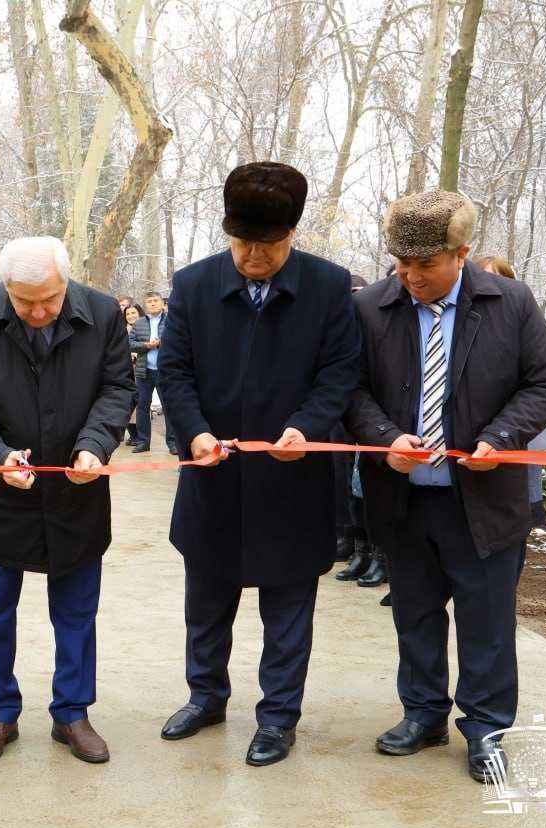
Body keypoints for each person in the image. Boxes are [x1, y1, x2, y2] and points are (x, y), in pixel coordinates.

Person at [346, 190, 546, 783]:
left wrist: (502, 435)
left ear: (461, 254)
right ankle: (422, 714)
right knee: (414, 612)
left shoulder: (510, 303)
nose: (410, 276)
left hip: (486, 499)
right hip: (404, 497)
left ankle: (486, 727)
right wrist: (385, 436)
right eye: (400, 263)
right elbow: (350, 391)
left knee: (486, 618)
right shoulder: (371, 308)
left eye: (425, 265)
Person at [156, 162, 360, 767]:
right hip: (213, 477)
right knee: (207, 600)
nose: (252, 255)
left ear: (291, 235)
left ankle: (277, 718)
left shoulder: (328, 287)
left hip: (293, 481)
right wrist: (193, 433)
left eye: (266, 245)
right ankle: (206, 696)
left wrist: (307, 425)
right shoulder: (193, 285)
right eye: (241, 241)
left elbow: (339, 372)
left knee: (289, 608)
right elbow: (176, 371)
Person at [0, 236, 134, 766]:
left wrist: (94, 445)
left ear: (65, 283)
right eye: (23, 301)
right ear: (5, 288)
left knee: (76, 610)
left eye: (48, 300)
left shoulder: (101, 314)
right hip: (1, 490)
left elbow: (118, 389)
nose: (36, 312)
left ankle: (72, 711)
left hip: (78, 488)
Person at [128, 291, 178, 455]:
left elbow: (179, 339)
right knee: (142, 407)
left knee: (169, 407)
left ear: (163, 304)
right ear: (145, 305)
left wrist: (163, 343)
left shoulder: (172, 320)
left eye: (155, 301)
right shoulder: (139, 323)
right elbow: (129, 343)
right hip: (144, 372)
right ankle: (143, 442)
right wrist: (146, 345)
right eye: (149, 301)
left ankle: (172, 443)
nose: (152, 304)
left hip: (165, 371)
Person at [124, 303, 145, 446]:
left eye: (133, 313)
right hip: (125, 371)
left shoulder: (145, 328)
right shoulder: (122, 330)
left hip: (141, 371)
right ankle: (133, 434)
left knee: (141, 404)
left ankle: (140, 435)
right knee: (127, 403)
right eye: (128, 314)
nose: (131, 316)